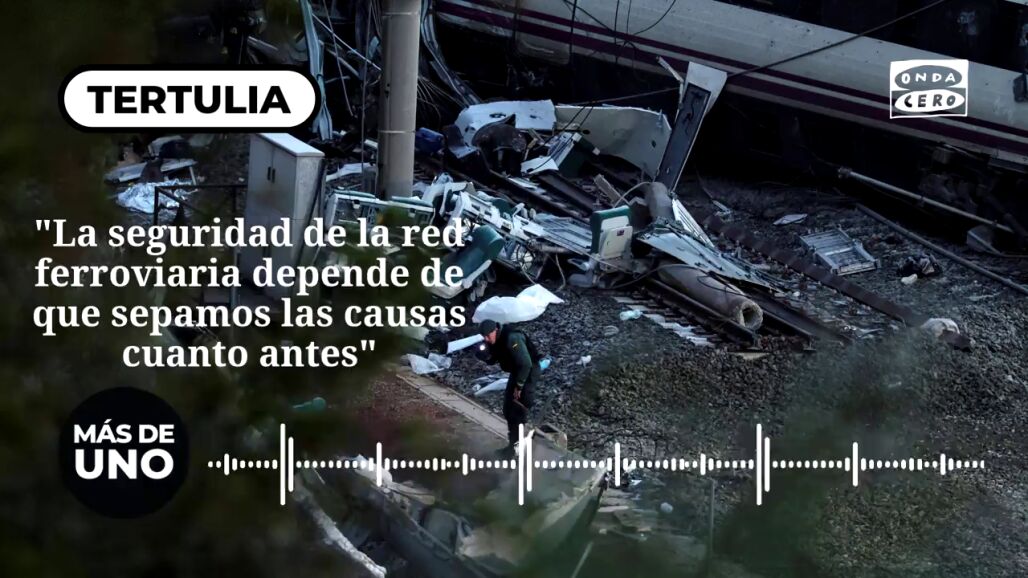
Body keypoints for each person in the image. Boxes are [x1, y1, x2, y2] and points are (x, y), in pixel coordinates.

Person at [477, 319, 542, 458]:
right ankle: (512, 447)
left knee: (517, 410)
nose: (486, 339)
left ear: (495, 330)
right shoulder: (495, 340)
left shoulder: (513, 338)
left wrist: (519, 386)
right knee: (508, 409)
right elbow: (496, 358)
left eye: (488, 335)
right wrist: (484, 356)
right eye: (484, 337)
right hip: (516, 371)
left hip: (527, 372)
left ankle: (518, 452)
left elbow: (526, 364)